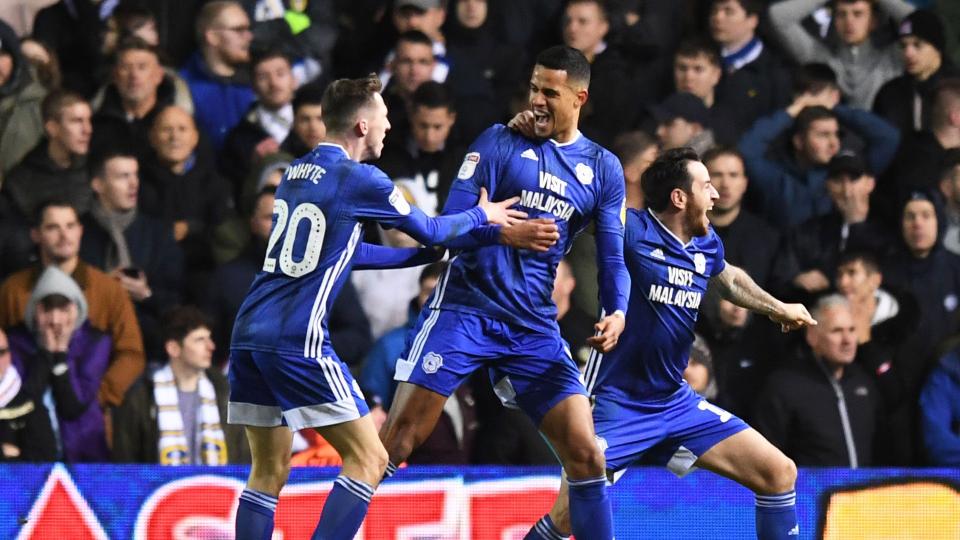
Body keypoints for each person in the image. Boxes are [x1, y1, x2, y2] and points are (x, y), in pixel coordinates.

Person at [227, 73, 537, 540]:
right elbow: (431, 229)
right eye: (384, 118)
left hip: (249, 334)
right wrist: (484, 217)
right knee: (372, 459)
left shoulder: (294, 171)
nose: (389, 127)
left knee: (267, 471)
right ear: (361, 127)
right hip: (298, 339)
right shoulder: (362, 179)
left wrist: (419, 257)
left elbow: (342, 253)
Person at [381, 46, 630, 540]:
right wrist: (503, 233)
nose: (537, 100)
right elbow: (444, 230)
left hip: (532, 325)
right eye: (533, 88)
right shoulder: (498, 142)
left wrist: (617, 310)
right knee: (398, 442)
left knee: (587, 455)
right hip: (465, 309)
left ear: (579, 97)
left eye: (550, 92)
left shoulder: (602, 168)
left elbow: (613, 257)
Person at [527, 148, 816, 540]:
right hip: (615, 403)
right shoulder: (630, 229)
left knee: (779, 472)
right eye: (707, 185)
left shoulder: (706, 242)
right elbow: (573, 211)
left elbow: (728, 278)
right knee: (566, 518)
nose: (716, 195)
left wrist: (777, 307)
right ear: (679, 198)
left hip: (676, 402)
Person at [0, 199, 145, 409]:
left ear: (80, 231)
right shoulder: (13, 289)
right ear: (36, 234)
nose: (64, 235)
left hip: (87, 420)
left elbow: (131, 353)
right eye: (53, 227)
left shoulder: (109, 290)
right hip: (26, 414)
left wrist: (96, 398)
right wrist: (14, 398)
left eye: (70, 226)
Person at [753, 295, 881, 468]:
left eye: (852, 330)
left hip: (859, 492)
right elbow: (766, 456)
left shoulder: (864, 383)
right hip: (808, 492)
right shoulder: (785, 386)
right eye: (837, 331)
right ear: (812, 336)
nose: (847, 340)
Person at [112, 306, 249, 464]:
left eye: (209, 338)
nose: (211, 346)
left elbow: (243, 456)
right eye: (199, 340)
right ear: (174, 349)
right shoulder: (141, 396)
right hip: (158, 488)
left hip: (218, 486)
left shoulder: (226, 393)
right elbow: (125, 460)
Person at [7, 266, 113, 462]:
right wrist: (46, 354)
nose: (56, 320)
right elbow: (23, 403)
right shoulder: (15, 343)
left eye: (64, 310)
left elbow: (73, 406)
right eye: (47, 310)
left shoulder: (95, 342)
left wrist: (62, 355)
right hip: (31, 458)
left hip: (83, 456)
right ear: (34, 311)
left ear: (78, 310)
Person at [768, 0, 915, 109]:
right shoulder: (820, 58)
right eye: (841, 14)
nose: (849, 21)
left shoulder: (892, 58)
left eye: (858, 14)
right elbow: (778, 16)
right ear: (834, 21)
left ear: (873, 22)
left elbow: (922, 21)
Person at [873, 10, 958, 134]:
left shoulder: (956, 90)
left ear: (937, 48)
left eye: (917, 45)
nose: (908, 53)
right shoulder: (889, 94)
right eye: (903, 46)